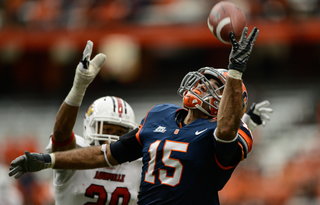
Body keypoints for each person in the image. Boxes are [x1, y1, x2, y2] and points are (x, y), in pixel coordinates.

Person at [10, 27, 263, 204]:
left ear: (228, 103)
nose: (201, 86)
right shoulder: (159, 114)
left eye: (213, 86)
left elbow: (226, 131)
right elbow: (106, 153)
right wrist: (48, 159)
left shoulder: (229, 131)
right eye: (203, 81)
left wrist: (235, 73)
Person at [37, 41, 142, 204]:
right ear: (90, 127)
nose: (113, 138)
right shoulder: (75, 155)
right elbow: (61, 134)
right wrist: (78, 89)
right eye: (107, 130)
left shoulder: (140, 163)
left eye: (120, 132)